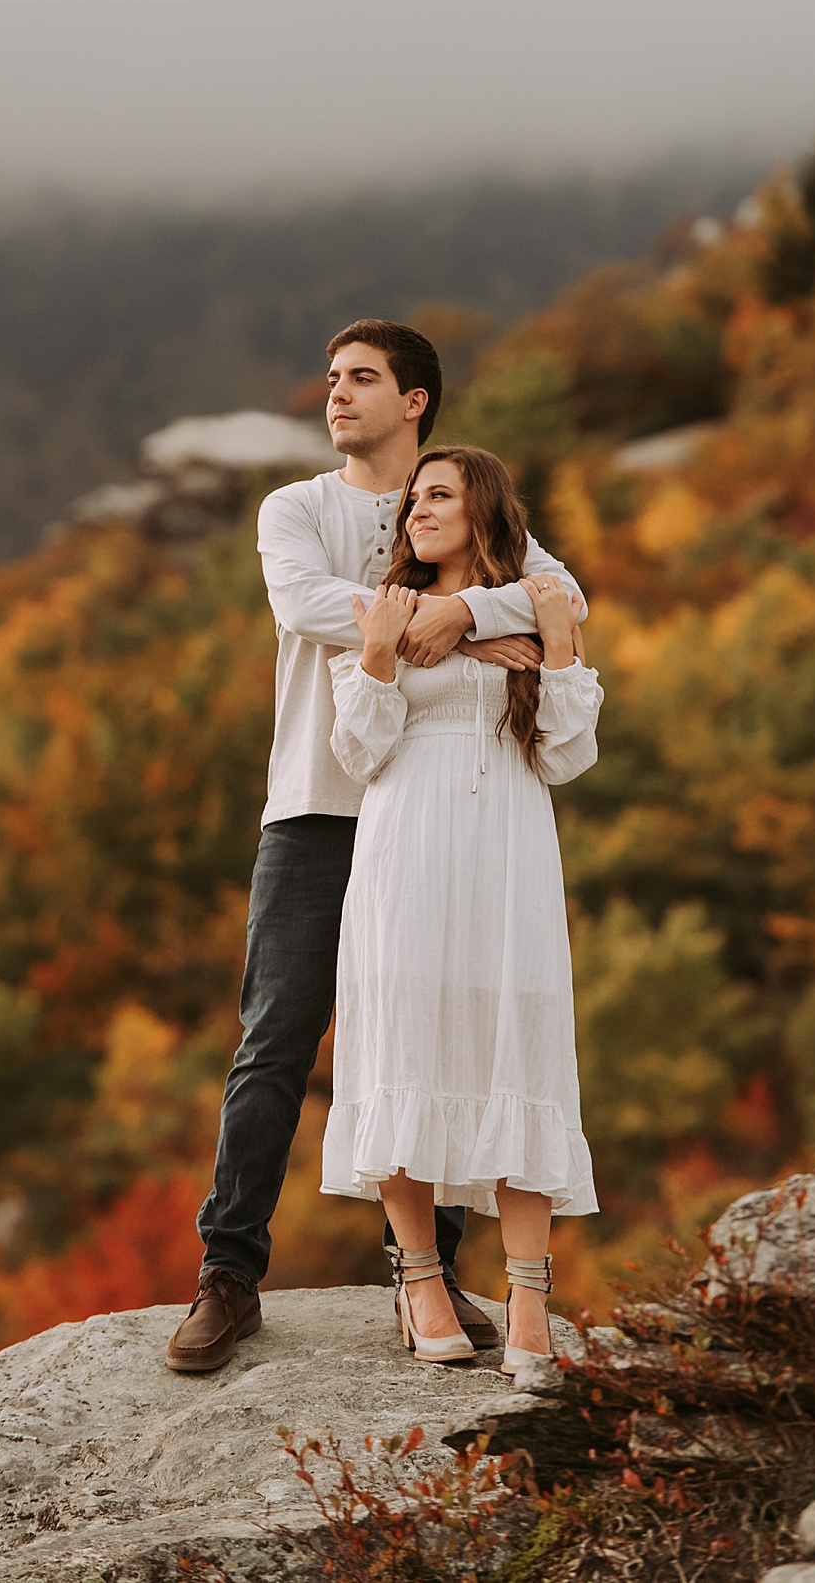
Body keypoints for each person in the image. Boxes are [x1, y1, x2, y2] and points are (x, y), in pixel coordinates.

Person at [165, 318, 586, 1375]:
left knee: (439, 1027)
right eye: (331, 378)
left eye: (361, 379)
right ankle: (229, 1274)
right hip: (320, 800)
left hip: (446, 811)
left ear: (417, 400)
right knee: (277, 1039)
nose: (335, 394)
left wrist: (465, 607)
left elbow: (563, 598)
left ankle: (424, 1282)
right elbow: (304, 604)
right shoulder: (297, 506)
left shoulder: (461, 497)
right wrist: (438, 620)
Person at [323, 447, 600, 1370]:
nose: (416, 512)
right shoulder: (380, 610)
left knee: (516, 1048)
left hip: (510, 851)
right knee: (406, 1042)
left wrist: (549, 648)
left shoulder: (545, 596)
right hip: (407, 847)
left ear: (483, 508)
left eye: (437, 495)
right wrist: (377, 655)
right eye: (411, 502)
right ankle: (421, 1279)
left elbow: (566, 757)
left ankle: (529, 1296)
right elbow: (361, 752)